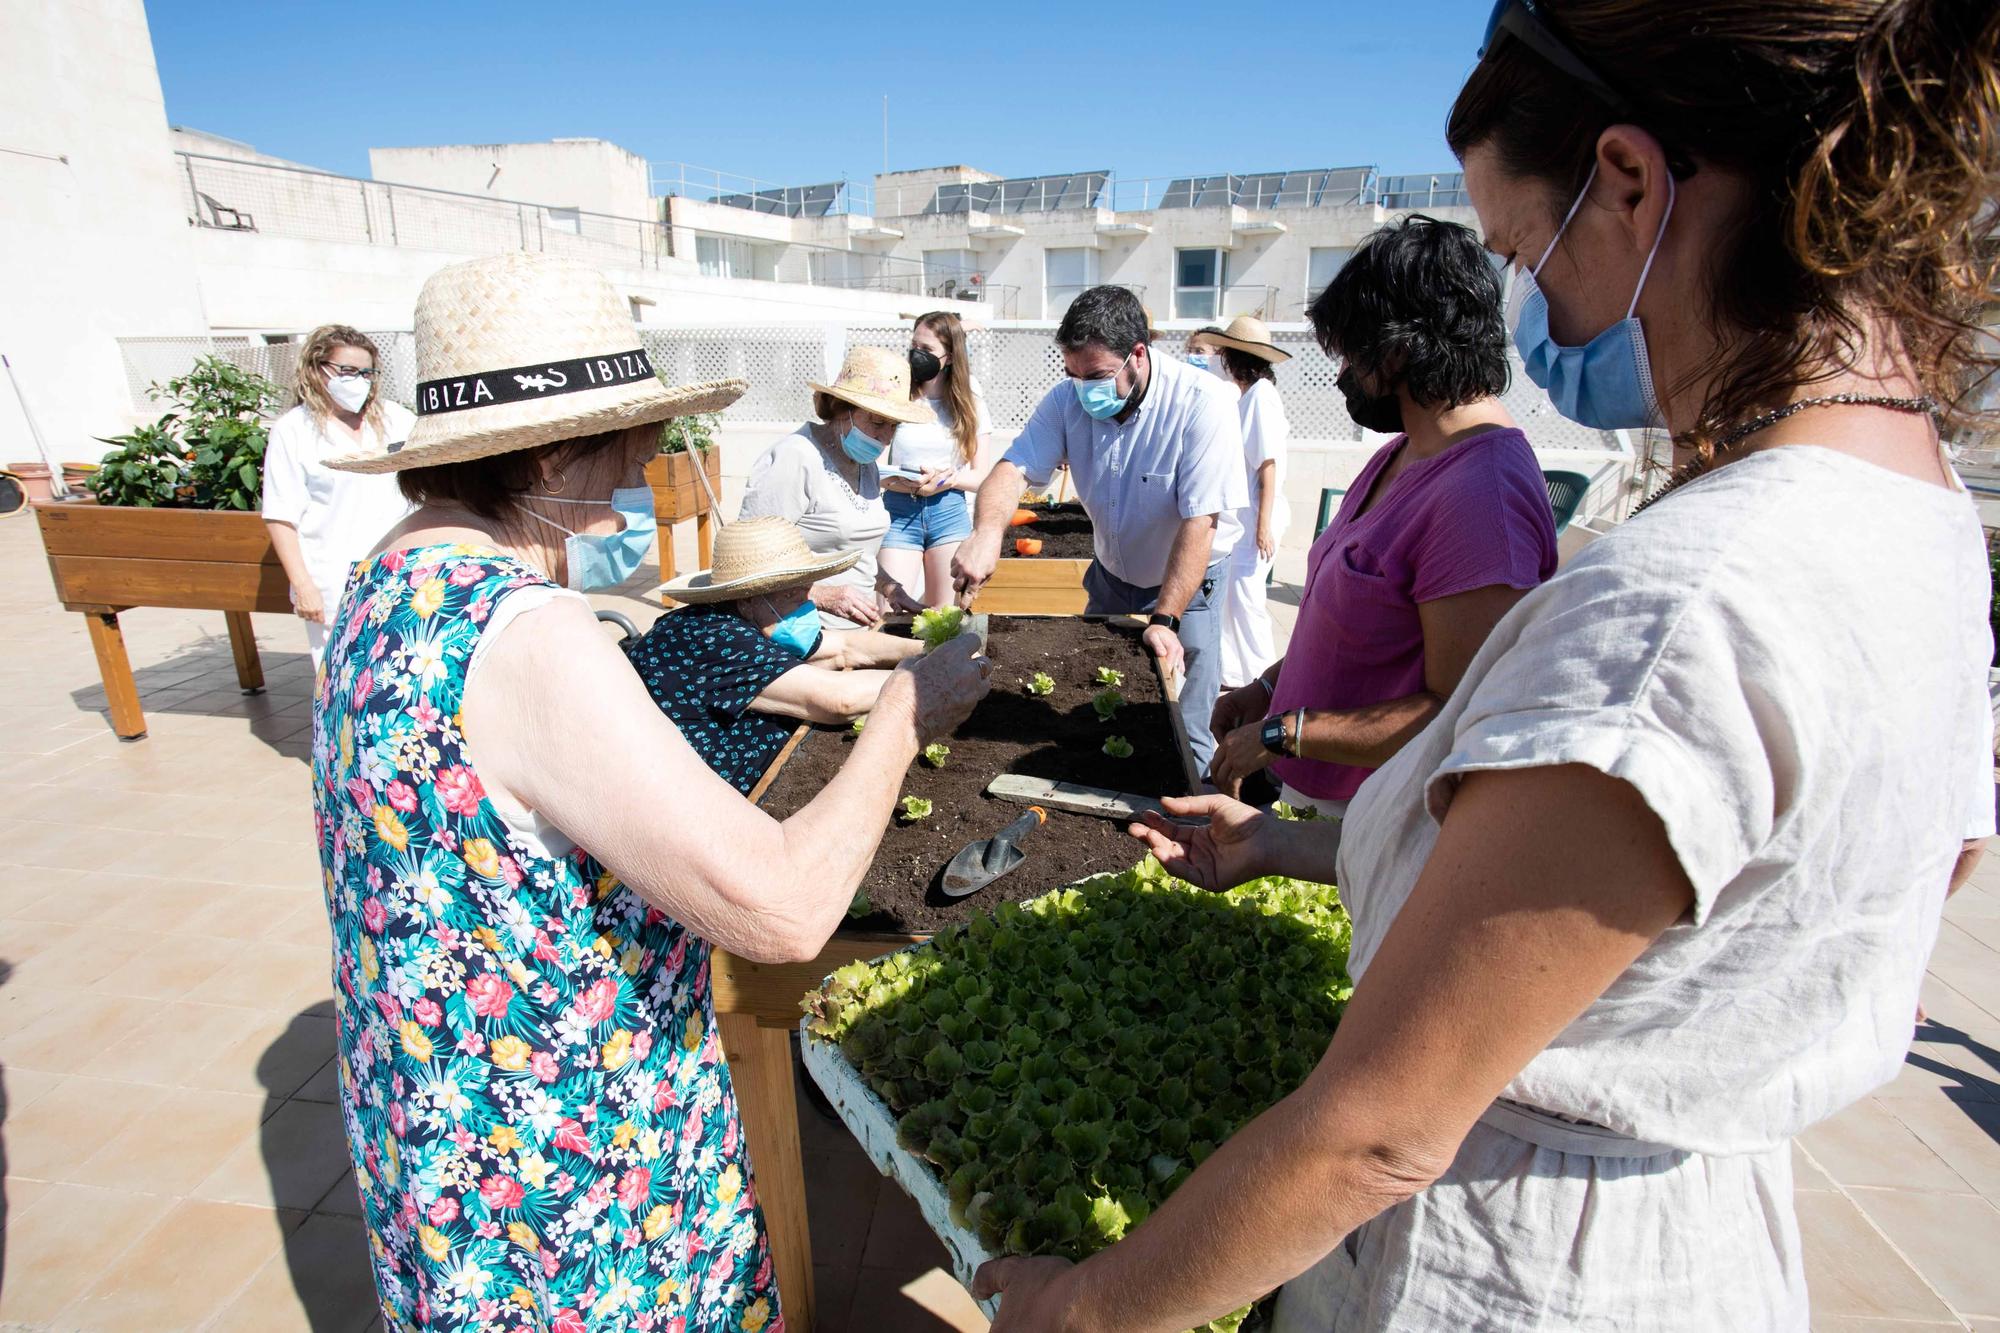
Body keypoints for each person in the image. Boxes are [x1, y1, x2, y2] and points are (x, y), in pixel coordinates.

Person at [975, 2, 1999, 1329]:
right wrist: (1282, 846)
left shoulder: (1688, 602)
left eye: (1524, 247)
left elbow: (1378, 1135)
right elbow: (1655, 908)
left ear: (1629, 180)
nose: (1533, 309)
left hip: (1518, 1275)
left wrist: (1087, 1308)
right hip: (1696, 1246)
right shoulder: (1917, 519)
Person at [315, 252, 989, 1332]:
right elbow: (777, 908)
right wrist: (906, 715)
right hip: (568, 1161)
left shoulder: (381, 582)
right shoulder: (526, 630)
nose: (646, 466)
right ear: (555, 448)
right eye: (632, 439)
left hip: (444, 1136)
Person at [1206, 216, 1558, 848]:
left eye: (1348, 355)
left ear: (1397, 350)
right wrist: (1266, 691)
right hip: (1323, 805)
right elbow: (1353, 630)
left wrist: (1283, 733)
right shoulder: (1405, 450)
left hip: (1378, 825)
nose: (1342, 375)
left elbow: (1456, 712)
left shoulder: (1483, 499)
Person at [952, 284, 1247, 770]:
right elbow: (1013, 470)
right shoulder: (1068, 400)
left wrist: (1166, 619)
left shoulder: (1203, 403)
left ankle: (1198, 804)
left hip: (1188, 589)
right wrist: (986, 535)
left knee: (1185, 719)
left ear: (1138, 353)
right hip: (1111, 577)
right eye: (1073, 374)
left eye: (1096, 375)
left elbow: (1201, 523)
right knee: (1101, 696)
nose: (1083, 387)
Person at [633, 515, 926, 793]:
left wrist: (928, 650)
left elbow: (845, 649)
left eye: (806, 593)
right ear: (747, 600)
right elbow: (838, 700)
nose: (805, 607)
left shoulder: (753, 619)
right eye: (790, 596)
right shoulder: (714, 635)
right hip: (688, 801)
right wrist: (935, 675)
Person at [738, 344, 930, 628]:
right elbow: (748, 561)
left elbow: (855, 552)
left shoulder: (866, 465)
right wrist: (822, 595)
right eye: (878, 422)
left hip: (854, 633)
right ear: (842, 410)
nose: (885, 437)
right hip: (799, 633)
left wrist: (891, 588)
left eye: (894, 426)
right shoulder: (796, 457)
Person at [260, 325, 413, 665]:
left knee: (396, 671)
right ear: (317, 369)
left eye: (366, 372)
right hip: (333, 579)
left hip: (399, 572)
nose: (358, 380)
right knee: (338, 677)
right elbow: (280, 515)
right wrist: (303, 585)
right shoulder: (295, 430)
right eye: (346, 371)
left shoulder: (396, 421)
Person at [878, 311, 998, 607]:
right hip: (899, 513)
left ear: (951, 356)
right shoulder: (895, 398)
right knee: (890, 613)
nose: (917, 355)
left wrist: (947, 480)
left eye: (927, 350)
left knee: (943, 619)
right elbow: (872, 467)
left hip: (948, 513)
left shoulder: (970, 405)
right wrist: (909, 484)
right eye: (914, 346)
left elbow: (982, 475)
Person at [1203, 315, 1294, 688]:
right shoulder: (1247, 396)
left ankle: (1265, 680)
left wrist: (1261, 526)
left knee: (1246, 596)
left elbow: (1268, 464)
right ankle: (1235, 674)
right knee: (1231, 598)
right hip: (1246, 514)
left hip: (1259, 513)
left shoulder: (1260, 397)